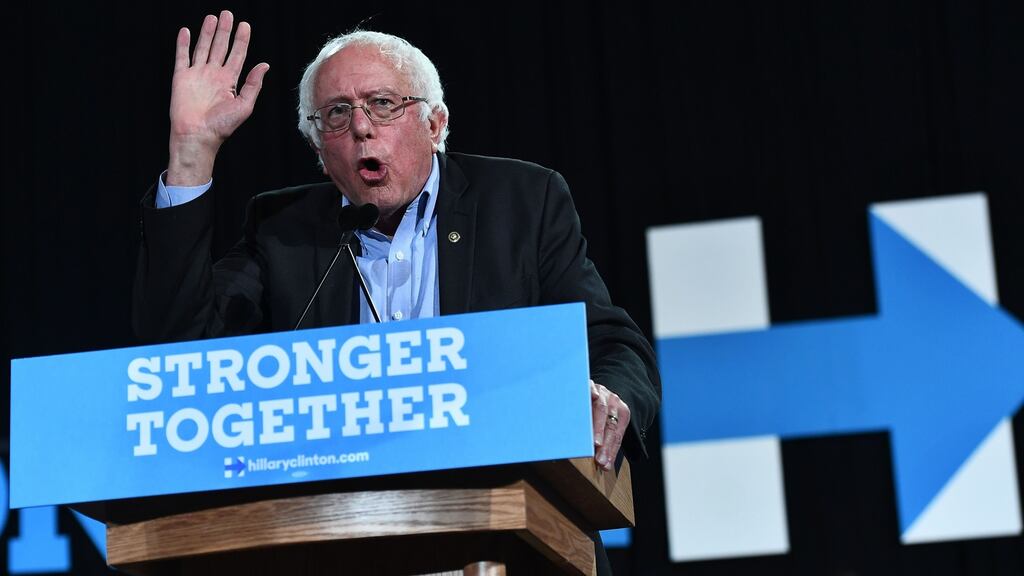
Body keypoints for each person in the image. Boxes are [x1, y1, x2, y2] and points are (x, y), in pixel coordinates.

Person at [134, 10, 660, 570]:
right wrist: (191, 153)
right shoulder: (281, 229)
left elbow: (612, 343)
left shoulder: (523, 202)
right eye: (337, 114)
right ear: (319, 150)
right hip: (340, 542)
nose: (361, 127)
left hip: (511, 536)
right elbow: (179, 352)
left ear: (435, 124)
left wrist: (608, 395)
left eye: (383, 104)